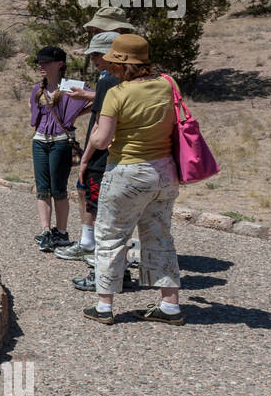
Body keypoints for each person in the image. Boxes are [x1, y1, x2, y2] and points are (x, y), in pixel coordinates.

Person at [82, 33, 183, 325]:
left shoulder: (117, 93)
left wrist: (99, 124)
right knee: (159, 235)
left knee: (111, 237)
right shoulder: (168, 84)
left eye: (114, 61)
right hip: (164, 172)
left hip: (127, 171)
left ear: (122, 64)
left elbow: (102, 140)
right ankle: (170, 305)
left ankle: (104, 306)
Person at [59, 31, 136, 291]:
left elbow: (100, 130)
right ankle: (121, 270)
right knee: (120, 220)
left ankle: (102, 277)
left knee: (103, 219)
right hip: (134, 159)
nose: (93, 60)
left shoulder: (107, 81)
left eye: (96, 54)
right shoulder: (142, 80)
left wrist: (85, 159)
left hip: (102, 158)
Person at [30, 46, 90, 251]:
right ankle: (46, 231)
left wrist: (75, 116)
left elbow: (99, 97)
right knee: (42, 189)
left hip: (61, 141)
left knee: (59, 189)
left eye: (46, 62)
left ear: (60, 64)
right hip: (39, 140)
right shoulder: (37, 89)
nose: (41, 66)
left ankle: (62, 232)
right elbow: (35, 118)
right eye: (40, 62)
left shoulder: (71, 86)